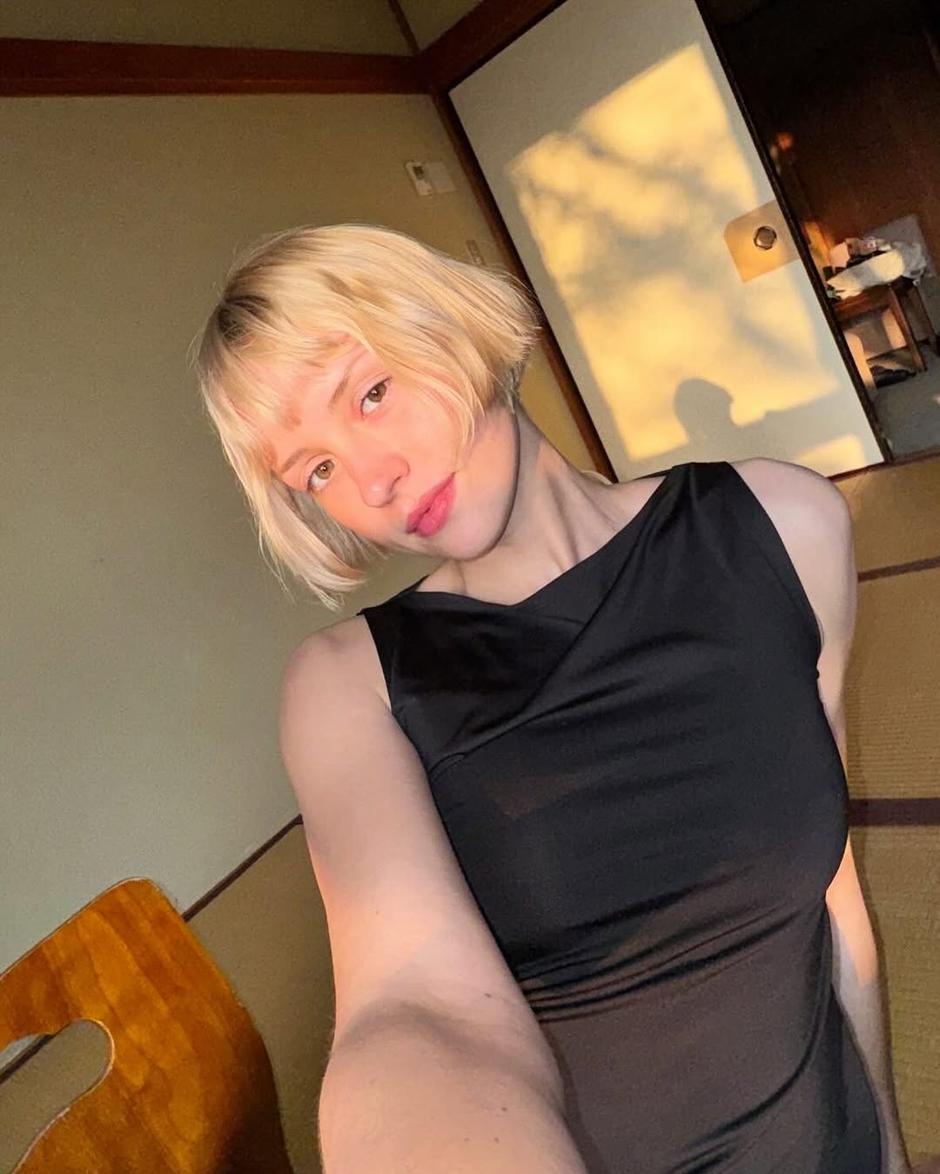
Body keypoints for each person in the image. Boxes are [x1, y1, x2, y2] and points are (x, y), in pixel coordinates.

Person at [195, 223, 928, 1174]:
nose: (374, 481)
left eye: (371, 393)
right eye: (318, 471)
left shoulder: (789, 526)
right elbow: (408, 1006)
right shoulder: (347, 687)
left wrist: (891, 1142)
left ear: (451, 323)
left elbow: (830, 885)